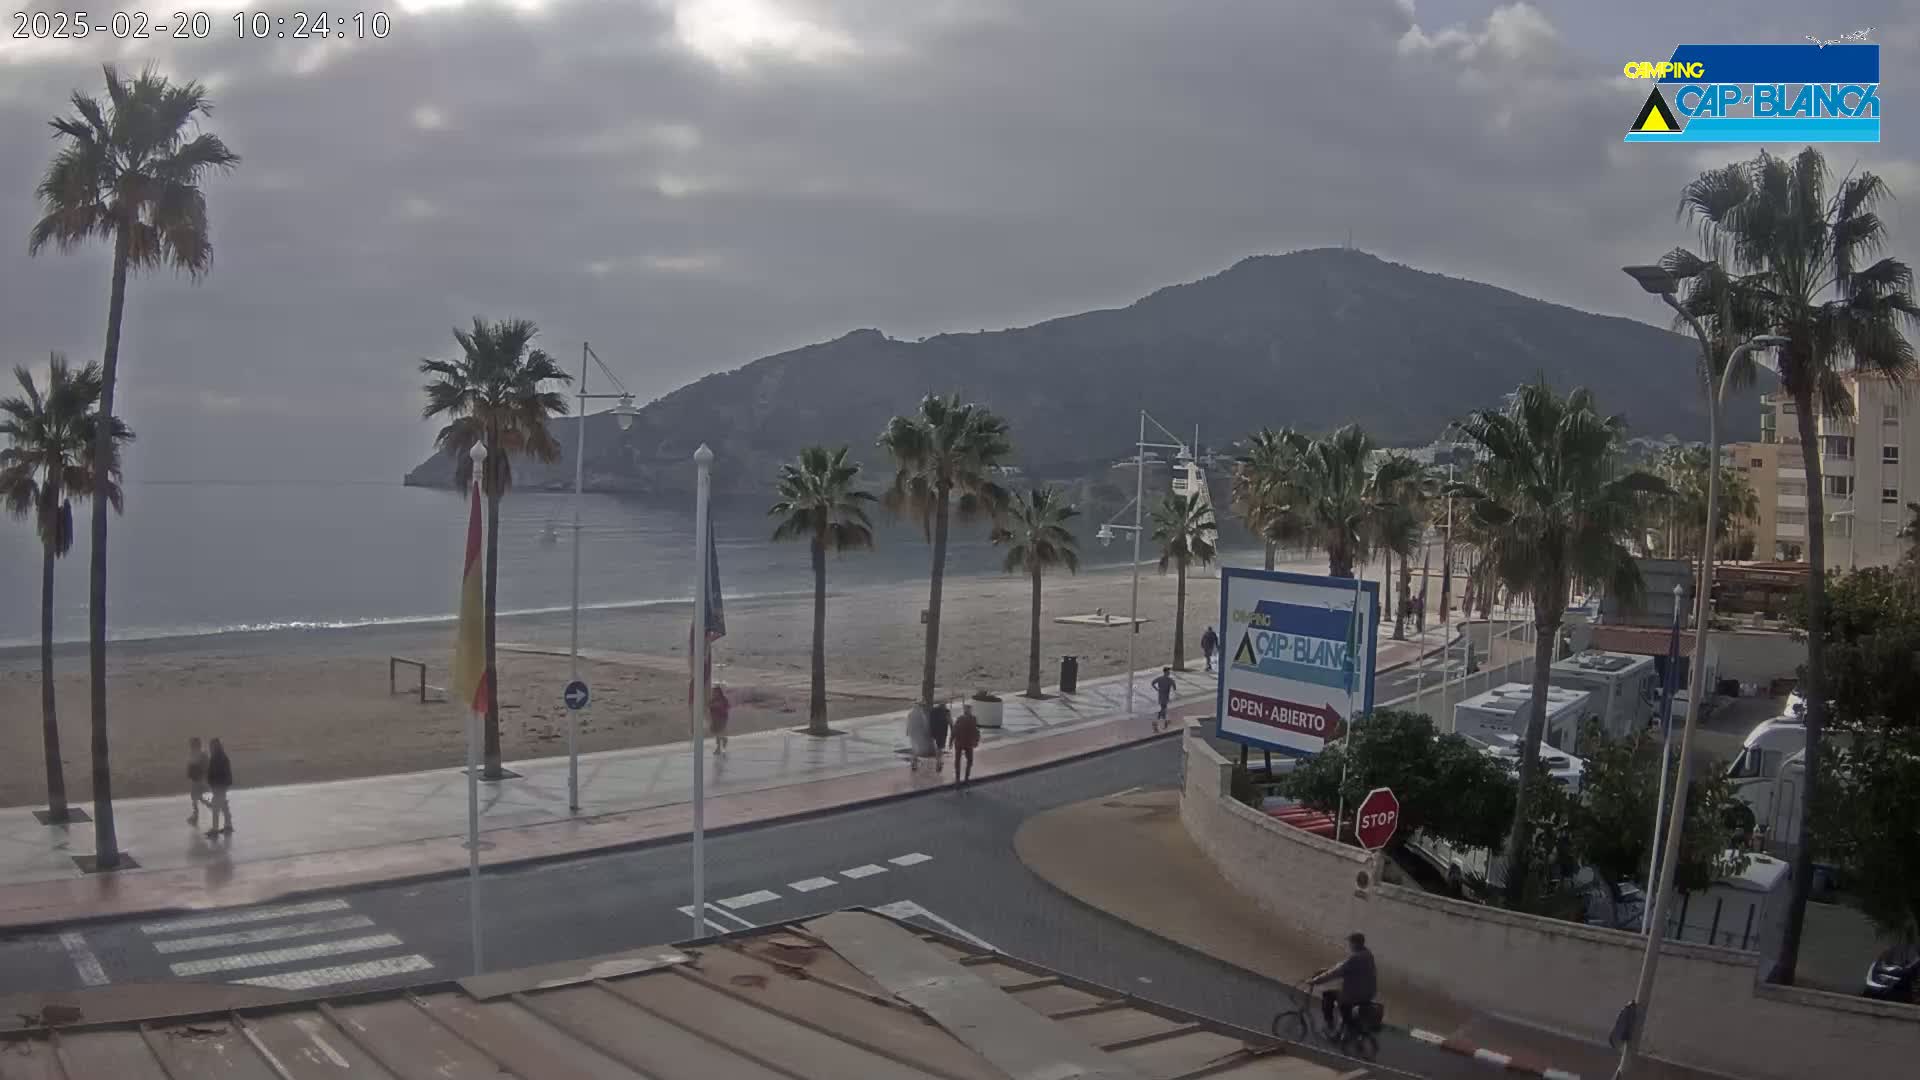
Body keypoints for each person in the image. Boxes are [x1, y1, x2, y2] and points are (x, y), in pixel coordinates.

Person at [1308, 932, 1377, 1037]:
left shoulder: (1356, 957)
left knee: (1328, 995)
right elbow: (1343, 967)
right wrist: (1328, 970)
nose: (1349, 945)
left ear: (1355, 943)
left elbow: (1338, 971)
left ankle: (1330, 1025)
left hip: (1358, 994)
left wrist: (1315, 981)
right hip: (1368, 992)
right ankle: (1344, 1028)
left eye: (1350, 943)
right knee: (1341, 1000)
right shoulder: (1367, 954)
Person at [205, 738, 234, 838]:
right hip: (220, 785)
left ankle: (216, 829)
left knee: (216, 807)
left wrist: (213, 783)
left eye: (212, 746)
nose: (210, 748)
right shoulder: (220, 756)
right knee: (223, 805)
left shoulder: (218, 757)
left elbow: (216, 772)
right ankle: (228, 825)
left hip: (219, 786)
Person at [952, 703, 980, 787]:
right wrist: (976, 740)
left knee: (966, 761)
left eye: (968, 708)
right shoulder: (965, 718)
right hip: (963, 743)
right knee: (961, 761)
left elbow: (975, 731)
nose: (967, 710)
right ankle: (961, 780)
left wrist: (976, 740)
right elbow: (955, 730)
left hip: (965, 743)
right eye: (967, 709)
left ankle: (963, 779)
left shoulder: (971, 719)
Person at [185, 737, 211, 826]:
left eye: (192, 744)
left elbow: (206, 766)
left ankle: (196, 815)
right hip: (196, 779)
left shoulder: (201, 754)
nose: (190, 746)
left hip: (200, 779)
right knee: (196, 796)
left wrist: (204, 777)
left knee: (195, 796)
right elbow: (190, 766)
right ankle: (208, 807)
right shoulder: (195, 754)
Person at [906, 702, 935, 772]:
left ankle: (914, 761)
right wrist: (926, 732)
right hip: (918, 734)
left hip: (913, 733)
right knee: (917, 748)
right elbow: (925, 724)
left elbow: (908, 724)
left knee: (914, 747)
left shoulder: (910, 714)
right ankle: (914, 761)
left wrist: (907, 732)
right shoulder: (921, 714)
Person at [928, 701, 951, 773]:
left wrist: (931, 732)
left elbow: (930, 722)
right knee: (940, 747)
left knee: (938, 747)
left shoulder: (933, 711)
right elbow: (950, 721)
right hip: (942, 732)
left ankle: (938, 760)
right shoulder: (946, 712)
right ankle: (939, 761)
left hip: (935, 732)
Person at [708, 684, 731, 754]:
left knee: (719, 732)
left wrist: (717, 706)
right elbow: (709, 706)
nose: (714, 693)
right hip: (714, 718)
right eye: (713, 692)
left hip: (722, 718)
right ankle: (723, 739)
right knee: (715, 732)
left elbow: (727, 707)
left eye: (715, 692)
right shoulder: (713, 700)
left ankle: (718, 748)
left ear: (719, 692)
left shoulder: (723, 699)